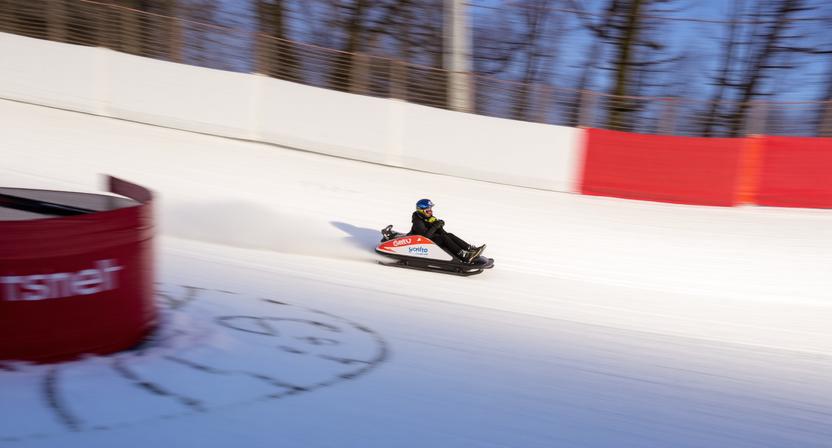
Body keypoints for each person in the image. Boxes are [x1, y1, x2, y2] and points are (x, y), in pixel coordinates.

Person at [410, 199, 485, 263]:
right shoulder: (417, 222)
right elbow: (426, 237)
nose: (430, 212)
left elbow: (438, 231)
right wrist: (435, 226)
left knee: (449, 235)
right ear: (421, 211)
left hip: (430, 239)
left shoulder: (427, 218)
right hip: (421, 242)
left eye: (430, 209)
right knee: (444, 238)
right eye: (427, 210)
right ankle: (463, 255)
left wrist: (440, 226)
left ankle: (469, 248)